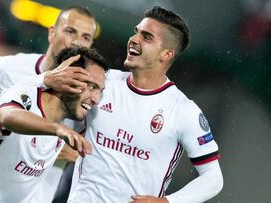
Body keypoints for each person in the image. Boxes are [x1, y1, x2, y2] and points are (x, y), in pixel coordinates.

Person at [41, 6, 223, 203]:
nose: (134, 40)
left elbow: (213, 178)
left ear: (166, 54)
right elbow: (54, 108)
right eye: (136, 32)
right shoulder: (103, 83)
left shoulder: (184, 111)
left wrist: (167, 202)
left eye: (147, 37)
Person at [0, 47, 108, 203]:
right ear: (67, 77)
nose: (96, 99)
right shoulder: (24, 95)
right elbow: (7, 116)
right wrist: (58, 130)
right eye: (91, 86)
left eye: (100, 91)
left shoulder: (66, 127)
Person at [0, 6, 97, 202]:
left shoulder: (89, 95)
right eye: (70, 31)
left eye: (86, 37)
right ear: (52, 33)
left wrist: (75, 153)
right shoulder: (13, 68)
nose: (77, 42)